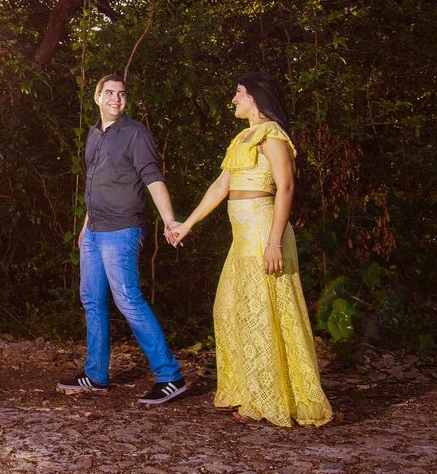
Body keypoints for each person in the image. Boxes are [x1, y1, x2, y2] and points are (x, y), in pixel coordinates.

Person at [168, 72, 333, 427]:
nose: (234, 99)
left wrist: (274, 242)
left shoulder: (272, 134)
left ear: (256, 96)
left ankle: (267, 398)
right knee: (230, 309)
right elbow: (220, 186)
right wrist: (187, 224)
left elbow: (286, 187)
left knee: (264, 313)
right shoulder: (242, 137)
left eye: (239, 93)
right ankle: (247, 388)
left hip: (263, 232)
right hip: (242, 238)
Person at [57, 74, 187, 405]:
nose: (117, 98)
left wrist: (170, 220)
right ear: (97, 98)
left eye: (122, 94)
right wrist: (87, 224)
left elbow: (153, 178)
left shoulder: (135, 133)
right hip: (95, 232)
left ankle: (170, 375)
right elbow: (95, 183)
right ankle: (96, 375)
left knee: (127, 298)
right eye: (110, 93)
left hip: (122, 230)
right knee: (91, 299)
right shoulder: (94, 135)